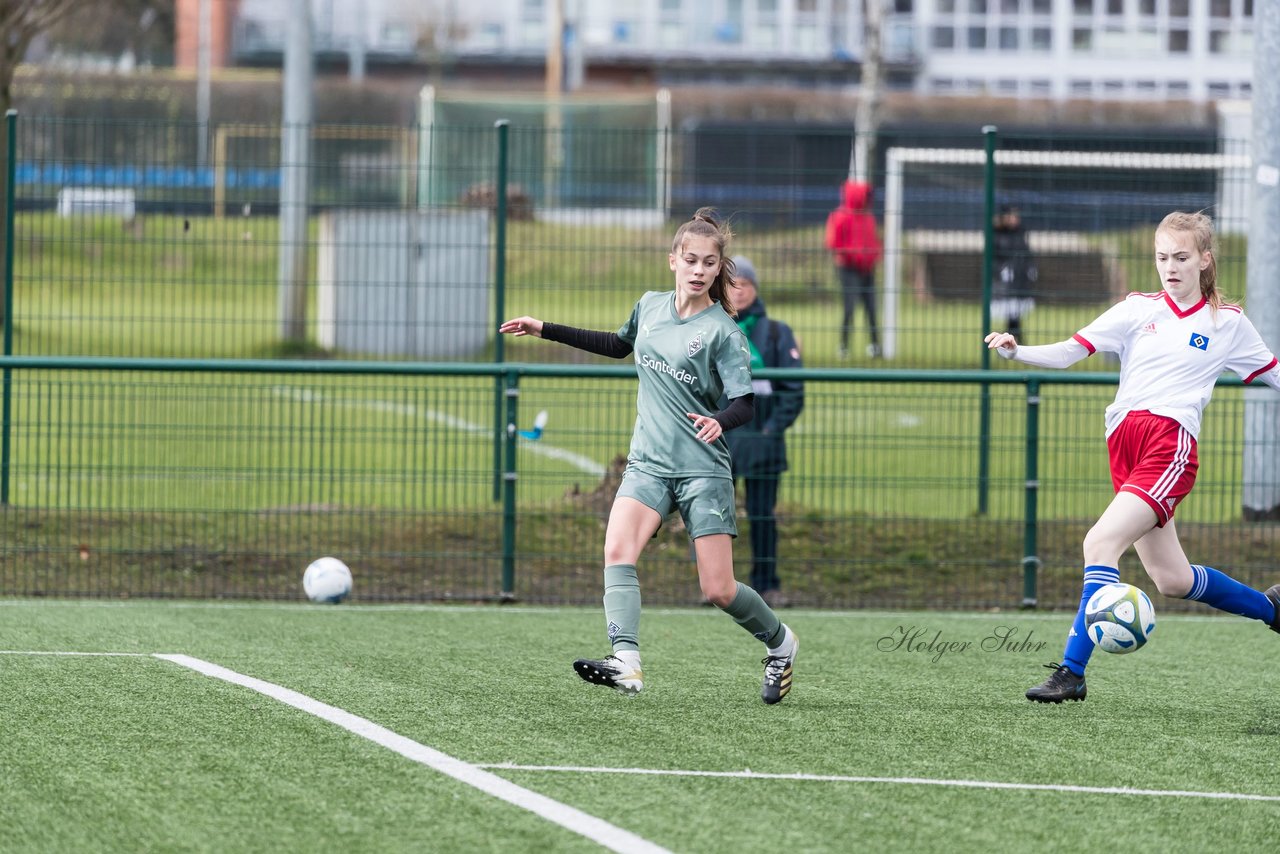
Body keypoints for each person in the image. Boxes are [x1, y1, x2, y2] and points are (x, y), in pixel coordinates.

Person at [499, 208, 799, 705]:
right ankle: (626, 661)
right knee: (617, 552)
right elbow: (618, 344)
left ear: (718, 269)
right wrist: (543, 327)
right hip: (649, 464)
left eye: (709, 263)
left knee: (719, 590)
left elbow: (745, 403)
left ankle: (781, 644)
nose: (699, 270)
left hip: (703, 469)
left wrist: (718, 420)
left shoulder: (725, 331)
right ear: (673, 261)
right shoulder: (650, 306)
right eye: (690, 260)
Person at [984, 210, 1280, 704]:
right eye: (1163, 256)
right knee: (1173, 579)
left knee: (1099, 543)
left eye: (1182, 257)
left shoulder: (1227, 323)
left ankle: (1071, 672)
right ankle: (1274, 611)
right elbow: (1068, 351)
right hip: (1124, 445)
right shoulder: (1136, 309)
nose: (1171, 266)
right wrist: (1018, 352)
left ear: (1205, 260)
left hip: (1170, 446)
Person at [723, 256, 804, 608]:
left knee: (762, 517)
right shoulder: (710, 327)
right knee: (715, 518)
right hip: (720, 442)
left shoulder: (776, 332)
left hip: (764, 444)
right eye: (731, 284)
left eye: (745, 284)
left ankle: (767, 584)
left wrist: (772, 429)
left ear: (755, 289)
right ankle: (717, 585)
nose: (738, 291)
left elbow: (793, 390)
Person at [824, 178, 882, 359]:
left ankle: (874, 346)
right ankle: (844, 346)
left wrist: (874, 256)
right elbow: (833, 243)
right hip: (849, 269)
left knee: (871, 308)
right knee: (849, 308)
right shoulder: (840, 217)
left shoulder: (868, 218)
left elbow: (874, 241)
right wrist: (844, 256)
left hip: (867, 269)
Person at [991, 204, 1039, 343]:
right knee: (1011, 312)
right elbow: (993, 258)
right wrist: (1001, 270)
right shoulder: (997, 234)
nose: (1015, 219)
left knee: (1015, 312)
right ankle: (1014, 340)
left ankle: (1013, 340)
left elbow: (1026, 253)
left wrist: (1030, 267)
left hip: (1020, 278)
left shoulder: (1020, 233)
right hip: (1005, 281)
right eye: (1011, 216)